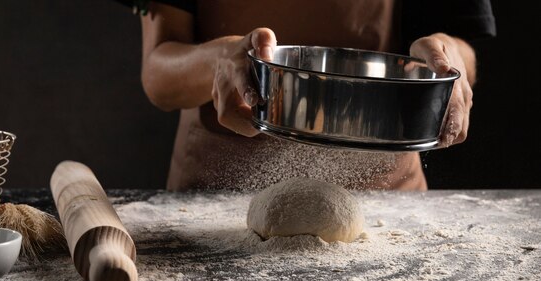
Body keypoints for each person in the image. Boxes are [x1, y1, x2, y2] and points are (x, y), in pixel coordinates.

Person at [119, 0, 496, 191]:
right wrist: (219, 60)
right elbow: (158, 72)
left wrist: (448, 57)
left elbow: (459, 47)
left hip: (385, 208)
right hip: (216, 203)